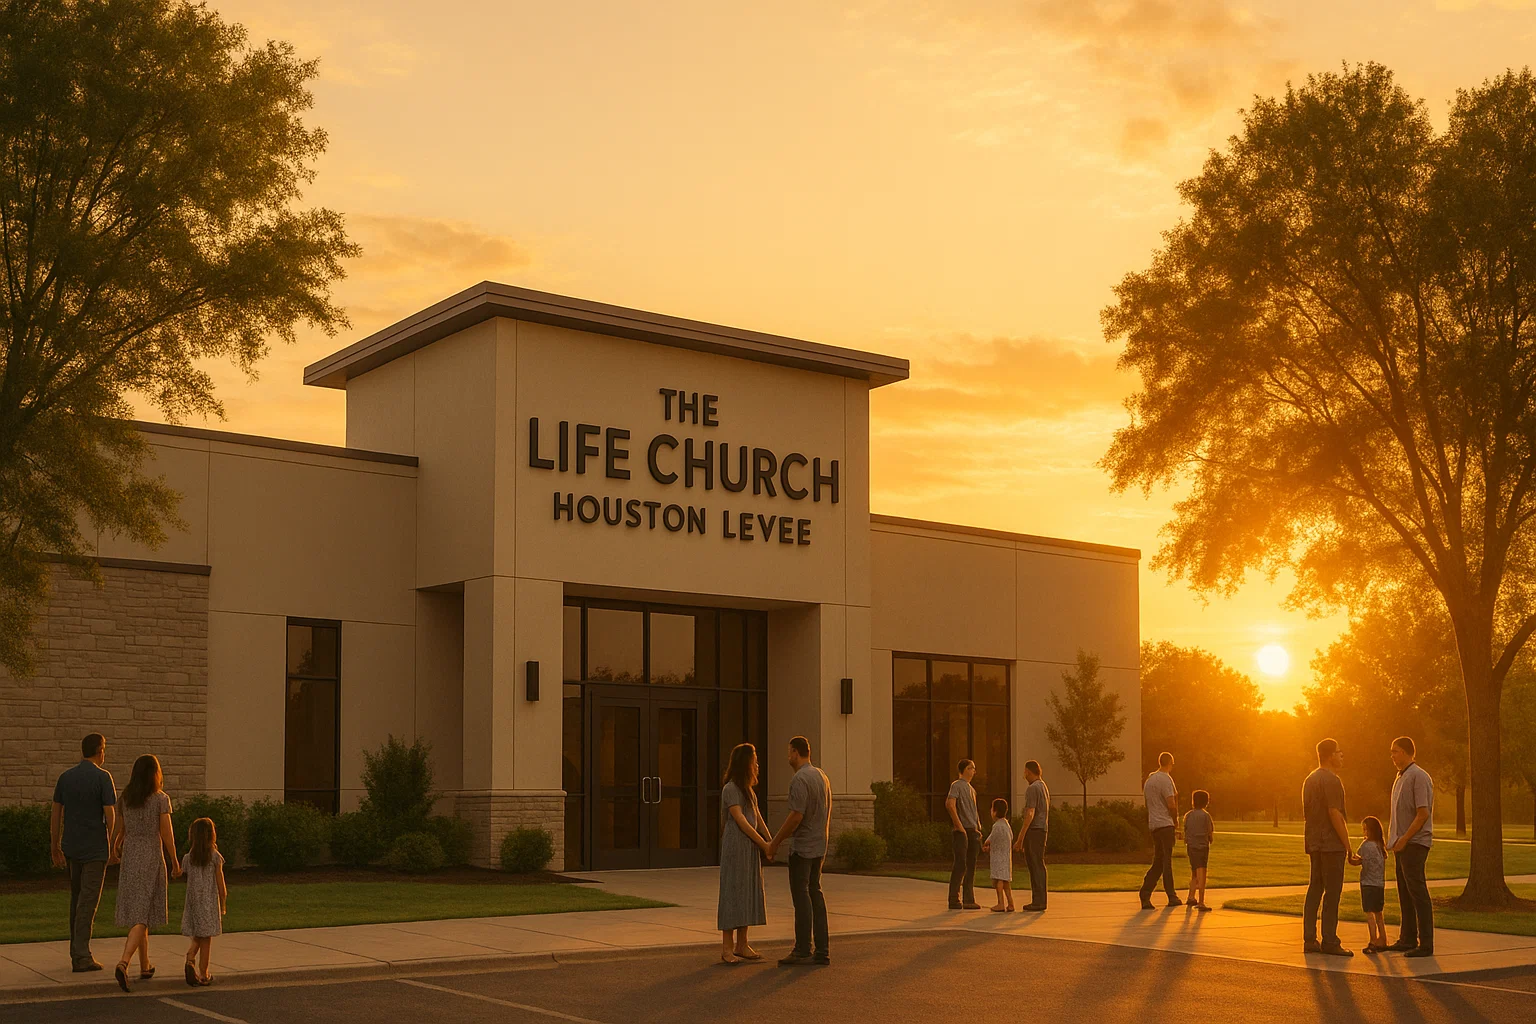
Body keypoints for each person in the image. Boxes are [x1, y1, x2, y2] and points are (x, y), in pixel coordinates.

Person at [111, 754, 181, 992]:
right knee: (142, 913)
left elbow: (121, 829)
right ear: (155, 774)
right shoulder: (161, 799)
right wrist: (174, 859)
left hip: (131, 857)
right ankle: (124, 962)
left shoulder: (126, 798)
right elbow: (166, 832)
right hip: (151, 855)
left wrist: (115, 846)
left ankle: (145, 965)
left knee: (141, 910)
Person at [49, 733, 118, 973]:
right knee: (88, 901)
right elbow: (110, 814)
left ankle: (76, 951)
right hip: (95, 849)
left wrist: (54, 845)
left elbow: (56, 812)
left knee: (77, 899)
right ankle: (81, 955)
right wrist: (113, 845)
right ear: (100, 751)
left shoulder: (66, 778)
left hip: (71, 847)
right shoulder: (103, 777)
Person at [767, 736, 832, 966]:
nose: (788, 757)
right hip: (819, 846)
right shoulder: (822, 776)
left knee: (801, 896)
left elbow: (796, 816)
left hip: (803, 848)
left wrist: (775, 843)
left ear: (795, 752)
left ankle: (803, 949)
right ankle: (822, 950)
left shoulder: (799, 779)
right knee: (815, 892)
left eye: (789, 752)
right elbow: (827, 811)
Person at [717, 742, 772, 965]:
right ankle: (727, 947)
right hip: (736, 848)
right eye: (754, 760)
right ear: (745, 764)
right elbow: (741, 822)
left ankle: (743, 943)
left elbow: (757, 819)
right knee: (733, 893)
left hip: (749, 849)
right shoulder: (730, 789)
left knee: (748, 890)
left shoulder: (749, 791)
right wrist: (764, 845)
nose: (757, 764)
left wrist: (771, 842)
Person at [1301, 738, 1355, 957]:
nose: (1342, 756)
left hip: (1314, 842)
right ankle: (1330, 940)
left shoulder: (1309, 780)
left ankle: (1310, 939)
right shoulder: (1332, 780)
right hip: (1331, 844)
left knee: (1315, 889)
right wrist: (1348, 846)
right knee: (1332, 893)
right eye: (1339, 752)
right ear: (1330, 755)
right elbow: (1335, 813)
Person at [1386, 736, 1435, 958]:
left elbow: (1423, 813)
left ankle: (1426, 944)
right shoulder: (1400, 777)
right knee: (1404, 892)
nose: (1392, 756)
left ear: (1407, 752)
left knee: (1417, 892)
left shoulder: (1419, 776)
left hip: (1415, 843)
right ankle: (1407, 938)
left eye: (1395, 751)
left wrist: (1405, 838)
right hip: (1401, 844)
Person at [180, 817, 227, 986]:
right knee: (206, 937)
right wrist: (223, 902)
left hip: (193, 901)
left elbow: (182, 872)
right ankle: (203, 972)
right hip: (208, 902)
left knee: (198, 933)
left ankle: (191, 958)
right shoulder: (215, 857)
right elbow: (221, 883)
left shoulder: (188, 858)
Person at [1139, 752, 1181, 909]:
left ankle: (1145, 892)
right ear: (1170, 762)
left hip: (1154, 824)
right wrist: (1175, 821)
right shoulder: (1166, 779)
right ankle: (1171, 895)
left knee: (1158, 860)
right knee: (1166, 861)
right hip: (1165, 824)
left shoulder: (1150, 780)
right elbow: (1171, 803)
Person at [944, 759, 984, 911]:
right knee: (960, 865)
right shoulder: (957, 785)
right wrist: (959, 826)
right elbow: (950, 804)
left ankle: (969, 899)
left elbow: (974, 811)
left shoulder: (971, 789)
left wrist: (978, 828)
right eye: (971, 768)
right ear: (963, 770)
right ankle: (953, 899)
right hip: (962, 831)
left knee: (971, 866)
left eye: (974, 768)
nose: (974, 770)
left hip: (973, 830)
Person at [1012, 760, 1050, 912]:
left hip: (1034, 830)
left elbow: (1030, 813)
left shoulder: (1032, 788)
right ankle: (1040, 900)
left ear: (1028, 771)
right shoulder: (1043, 786)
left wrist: (1020, 838)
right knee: (1039, 864)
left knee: (1035, 865)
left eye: (1025, 772)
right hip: (1042, 830)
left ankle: (1038, 901)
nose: (1024, 775)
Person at [1358, 815, 1388, 954]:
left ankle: (1372, 941)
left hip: (1368, 884)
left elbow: (1357, 860)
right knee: (1379, 914)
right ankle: (1383, 939)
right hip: (1379, 884)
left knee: (1369, 914)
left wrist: (1348, 853)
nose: (1364, 832)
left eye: (1365, 829)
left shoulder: (1366, 845)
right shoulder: (1380, 846)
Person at [1183, 790, 1214, 912]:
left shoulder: (1188, 815)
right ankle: (1201, 901)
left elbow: (1186, 831)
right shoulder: (1206, 816)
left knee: (1194, 872)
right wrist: (1209, 839)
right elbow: (1210, 833)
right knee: (1202, 873)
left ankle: (1191, 896)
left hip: (1191, 847)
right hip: (1202, 847)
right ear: (1206, 802)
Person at [982, 798, 1014, 912]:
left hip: (998, 858)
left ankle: (1000, 903)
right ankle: (1010, 903)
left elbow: (993, 839)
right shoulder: (1006, 825)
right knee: (1006, 882)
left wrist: (987, 846)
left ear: (995, 812)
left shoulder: (996, 826)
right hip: (1006, 857)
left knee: (998, 881)